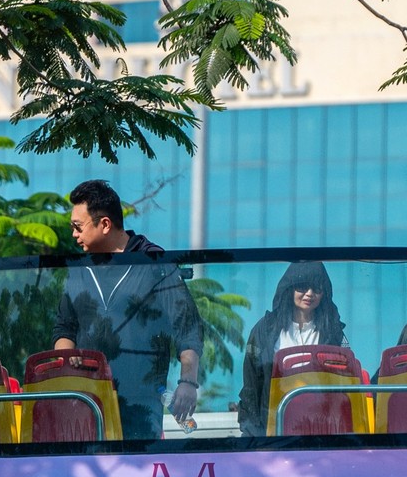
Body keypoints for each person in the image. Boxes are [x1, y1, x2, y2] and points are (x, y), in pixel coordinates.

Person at [51, 179, 203, 440]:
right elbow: (64, 328)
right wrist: (68, 359)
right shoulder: (78, 272)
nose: (74, 235)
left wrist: (188, 382)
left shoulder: (154, 263)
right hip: (86, 402)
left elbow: (186, 327)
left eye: (78, 227)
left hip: (140, 407)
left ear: (105, 224)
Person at [235, 261, 348, 436]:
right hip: (273, 427)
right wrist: (253, 435)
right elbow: (251, 384)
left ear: (324, 293)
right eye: (302, 287)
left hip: (321, 430)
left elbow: (344, 382)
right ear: (289, 289)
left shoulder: (334, 332)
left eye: (317, 288)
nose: (309, 294)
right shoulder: (265, 329)